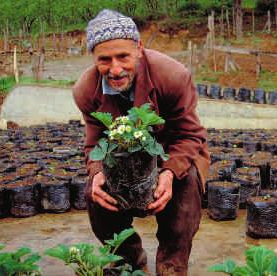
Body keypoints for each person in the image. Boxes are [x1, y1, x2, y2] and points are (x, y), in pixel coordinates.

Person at [72, 9, 210, 276]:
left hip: (172, 151)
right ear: (94, 59)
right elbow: (93, 144)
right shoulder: (86, 90)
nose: (115, 69)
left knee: (185, 191)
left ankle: (172, 266)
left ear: (139, 49)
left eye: (123, 56)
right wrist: (98, 171)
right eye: (104, 59)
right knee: (95, 192)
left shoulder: (172, 76)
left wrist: (169, 173)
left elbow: (190, 135)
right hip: (120, 159)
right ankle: (128, 262)